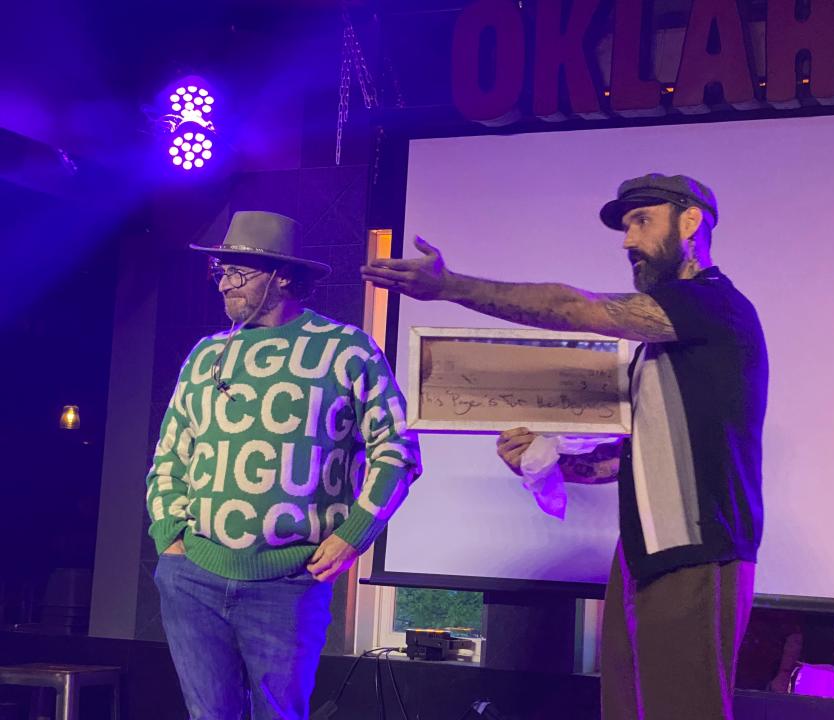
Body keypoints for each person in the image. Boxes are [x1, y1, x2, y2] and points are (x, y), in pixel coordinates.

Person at [360, 174, 767, 720]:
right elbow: (638, 459)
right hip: (645, 551)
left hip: (699, 546)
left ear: (691, 222)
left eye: (642, 222)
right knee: (627, 709)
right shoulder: (670, 341)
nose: (628, 242)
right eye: (626, 228)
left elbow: (580, 309)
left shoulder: (713, 304)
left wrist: (452, 286)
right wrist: (555, 462)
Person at [147, 210, 421, 720]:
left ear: (283, 276)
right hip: (194, 576)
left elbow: (397, 450)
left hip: (288, 581)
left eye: (238, 272)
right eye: (220, 271)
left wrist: (354, 534)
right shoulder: (207, 355)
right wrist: (169, 537)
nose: (224, 283)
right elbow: (170, 453)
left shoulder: (346, 350)